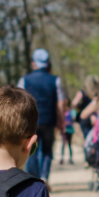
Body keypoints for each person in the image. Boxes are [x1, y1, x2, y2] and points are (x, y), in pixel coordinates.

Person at [17, 48, 67, 183]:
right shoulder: (55, 80)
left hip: (31, 122)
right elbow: (60, 103)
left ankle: (34, 179)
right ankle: (44, 176)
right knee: (47, 149)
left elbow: (18, 102)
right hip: (49, 120)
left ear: (33, 63)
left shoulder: (24, 80)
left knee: (31, 149)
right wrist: (61, 121)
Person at [71, 74, 99, 140]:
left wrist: (79, 107)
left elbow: (74, 103)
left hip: (85, 118)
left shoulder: (82, 92)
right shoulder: (97, 94)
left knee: (88, 138)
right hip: (91, 117)